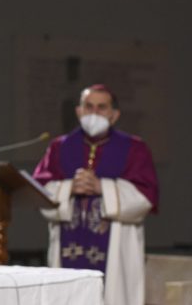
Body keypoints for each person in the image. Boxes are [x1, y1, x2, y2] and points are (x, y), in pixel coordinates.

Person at [32, 85, 158, 305]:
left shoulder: (134, 148)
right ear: (79, 111)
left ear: (114, 114)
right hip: (67, 242)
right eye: (88, 106)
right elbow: (39, 191)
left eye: (102, 107)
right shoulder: (59, 147)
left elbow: (145, 196)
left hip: (117, 248)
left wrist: (103, 188)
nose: (94, 112)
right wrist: (70, 188)